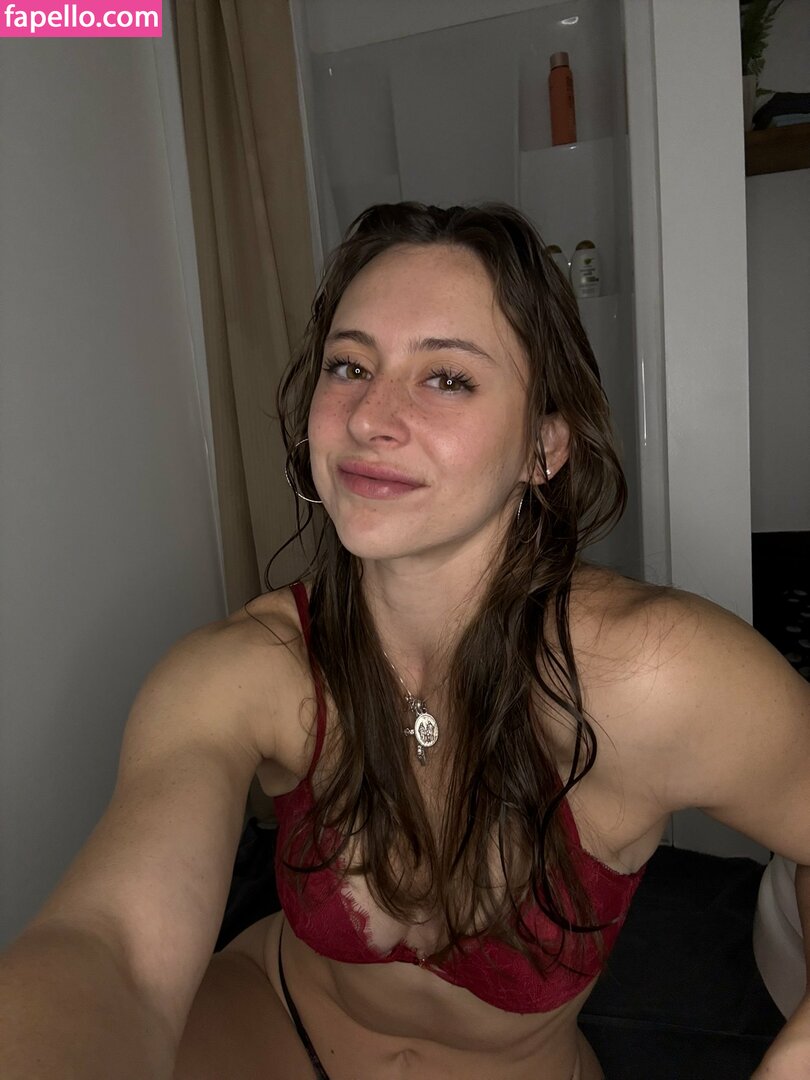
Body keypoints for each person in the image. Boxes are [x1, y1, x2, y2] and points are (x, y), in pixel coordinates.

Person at [1, 202, 808, 1080]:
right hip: (274, 1024)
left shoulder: (655, 673)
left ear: (543, 448)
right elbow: (111, 947)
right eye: (350, 366)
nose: (369, 417)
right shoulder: (249, 668)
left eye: (447, 378)